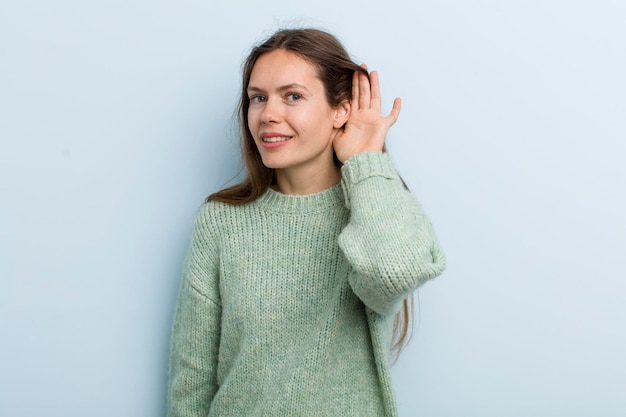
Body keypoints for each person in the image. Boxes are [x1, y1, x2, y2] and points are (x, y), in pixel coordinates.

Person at [167, 28, 446, 417]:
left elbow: (396, 272)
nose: (268, 115)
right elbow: (192, 379)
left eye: (292, 96)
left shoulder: (372, 209)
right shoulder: (221, 222)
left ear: (341, 110)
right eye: (257, 98)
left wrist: (365, 161)